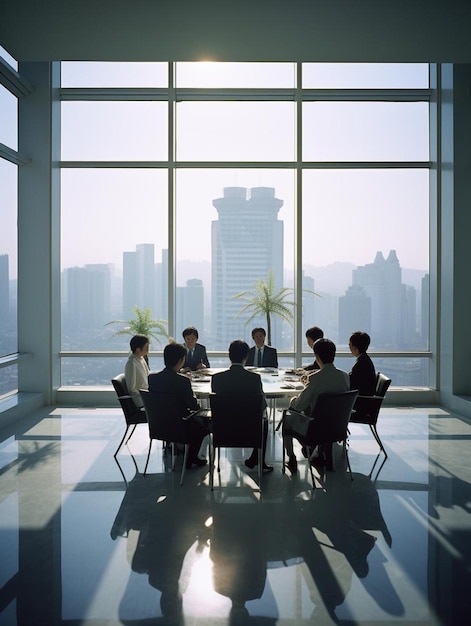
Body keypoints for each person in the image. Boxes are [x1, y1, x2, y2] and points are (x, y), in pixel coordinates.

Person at [283, 338, 350, 473]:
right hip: (337, 427)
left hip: (315, 429)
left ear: (317, 356)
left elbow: (299, 406)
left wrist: (294, 399)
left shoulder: (315, 379)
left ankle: (291, 458)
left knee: (287, 419)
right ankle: (318, 451)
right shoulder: (344, 376)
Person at [211, 339, 273, 472]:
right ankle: (259, 460)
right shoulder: (254, 378)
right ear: (246, 356)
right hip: (250, 430)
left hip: (223, 430)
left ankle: (255, 459)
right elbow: (262, 405)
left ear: (229, 355)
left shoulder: (217, 378)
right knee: (265, 420)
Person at [148, 342, 209, 469]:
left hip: (158, 424)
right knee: (204, 424)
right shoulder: (183, 381)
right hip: (180, 426)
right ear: (182, 360)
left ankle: (177, 449)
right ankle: (191, 458)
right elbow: (193, 406)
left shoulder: (152, 378)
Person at [124, 334, 150, 408]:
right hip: (140, 399)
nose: (148, 349)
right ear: (138, 349)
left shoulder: (141, 359)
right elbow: (132, 389)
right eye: (146, 347)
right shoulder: (131, 364)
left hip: (146, 395)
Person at [348, 331, 376, 396]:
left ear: (355, 348)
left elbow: (351, 381)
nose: (349, 348)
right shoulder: (365, 359)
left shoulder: (361, 364)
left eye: (350, 345)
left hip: (361, 399)